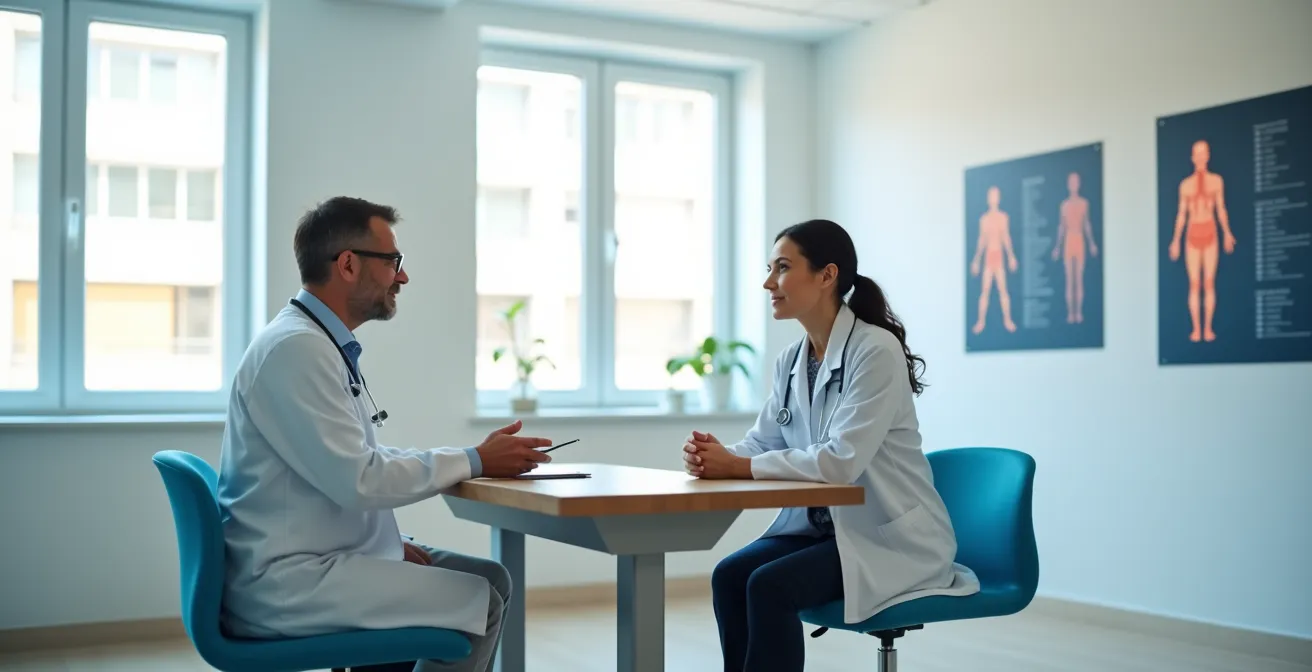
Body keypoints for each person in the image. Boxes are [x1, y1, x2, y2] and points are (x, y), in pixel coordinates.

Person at [216, 196, 554, 672]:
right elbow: (359, 480)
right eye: (393, 261)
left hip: (312, 556)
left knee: (490, 577)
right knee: (482, 598)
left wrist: (383, 546)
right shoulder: (298, 351)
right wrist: (475, 460)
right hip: (287, 582)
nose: (403, 276)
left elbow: (349, 463)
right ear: (349, 264)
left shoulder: (314, 342)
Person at [682, 219, 979, 672]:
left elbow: (840, 462)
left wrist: (737, 467)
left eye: (782, 267)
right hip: (827, 532)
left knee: (770, 586)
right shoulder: (792, 359)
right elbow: (765, 440)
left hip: (889, 540)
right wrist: (715, 456)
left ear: (827, 275)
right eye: (769, 268)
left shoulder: (874, 350)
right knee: (730, 575)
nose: (768, 282)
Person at [1168, 139, 1236, 342]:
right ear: (1192, 157)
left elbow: (1220, 209)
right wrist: (1175, 240)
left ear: (1208, 156)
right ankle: (1196, 329)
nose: (1199, 157)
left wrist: (1227, 233)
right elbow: (1181, 214)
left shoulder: (1217, 181)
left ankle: (1208, 328)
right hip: (1192, 234)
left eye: (1203, 153)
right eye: (1196, 153)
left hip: (1210, 231)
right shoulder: (1185, 185)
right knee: (1194, 284)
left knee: (1209, 283)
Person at [969, 186, 1019, 334]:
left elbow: (1006, 238)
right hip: (988, 257)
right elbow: (982, 240)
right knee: (984, 291)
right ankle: (981, 321)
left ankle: (1007, 320)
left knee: (1003, 290)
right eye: (991, 195)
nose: (993, 198)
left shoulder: (1003, 217)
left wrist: (1011, 256)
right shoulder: (984, 219)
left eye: (995, 195)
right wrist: (976, 260)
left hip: (999, 256)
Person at [1051, 171, 1098, 324]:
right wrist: (1057, 247)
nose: (1073, 184)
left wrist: (1091, 243)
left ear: (1079, 184)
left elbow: (1086, 225)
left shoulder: (1084, 204)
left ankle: (1078, 313)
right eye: (1071, 181)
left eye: (1075, 181)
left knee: (1078, 279)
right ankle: (1070, 313)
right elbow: (1061, 227)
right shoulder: (1064, 205)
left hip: (1079, 240)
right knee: (1069, 280)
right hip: (1069, 241)